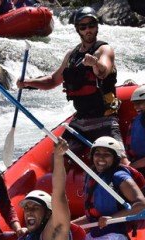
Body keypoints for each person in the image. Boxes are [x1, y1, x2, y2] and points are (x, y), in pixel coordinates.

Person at [16, 6, 121, 152]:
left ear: (97, 27)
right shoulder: (72, 55)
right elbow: (52, 81)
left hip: (104, 120)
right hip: (80, 121)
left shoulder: (104, 50)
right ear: (78, 29)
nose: (88, 30)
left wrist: (95, 63)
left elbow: (103, 72)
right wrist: (28, 82)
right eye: (83, 26)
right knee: (57, 155)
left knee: (119, 159)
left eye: (91, 25)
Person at [71, 137, 145, 240]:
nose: (100, 158)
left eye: (106, 154)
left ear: (115, 158)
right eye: (97, 153)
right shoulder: (93, 175)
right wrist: (68, 225)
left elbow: (140, 204)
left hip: (114, 239)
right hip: (95, 235)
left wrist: (112, 218)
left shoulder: (120, 176)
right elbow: (92, 217)